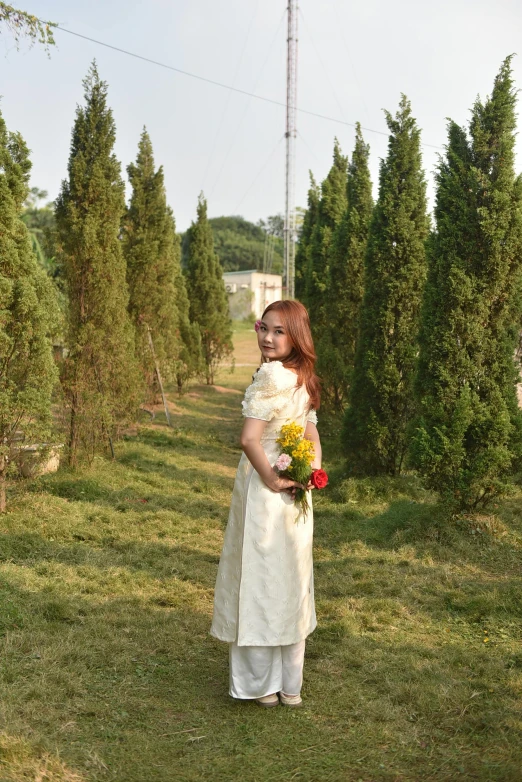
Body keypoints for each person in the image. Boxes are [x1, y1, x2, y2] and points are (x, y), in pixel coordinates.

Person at [210, 299, 322, 708]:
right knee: (289, 576)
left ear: (296, 336)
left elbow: (248, 438)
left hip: (268, 486)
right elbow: (311, 437)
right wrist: (309, 474)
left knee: (260, 576)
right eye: (264, 328)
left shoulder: (273, 377)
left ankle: (261, 685)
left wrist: (274, 479)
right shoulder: (303, 376)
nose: (268, 338)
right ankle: (288, 685)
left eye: (279, 331)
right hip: (295, 489)